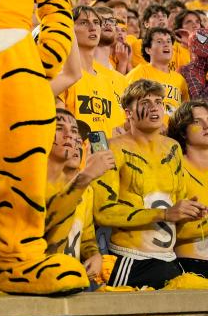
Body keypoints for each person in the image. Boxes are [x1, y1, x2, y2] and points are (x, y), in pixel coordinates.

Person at [93, 80, 207, 288]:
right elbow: (103, 212)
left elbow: (178, 207)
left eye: (158, 101)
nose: (155, 107)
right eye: (145, 102)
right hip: (131, 260)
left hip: (169, 258)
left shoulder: (173, 148)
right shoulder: (110, 149)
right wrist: (164, 214)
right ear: (128, 112)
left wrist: (191, 211)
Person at [43, 109, 113, 283]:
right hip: (38, 283)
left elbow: (87, 237)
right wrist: (86, 176)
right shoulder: (30, 179)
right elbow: (43, 227)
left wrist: (95, 255)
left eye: (75, 133)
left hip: (72, 281)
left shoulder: (87, 191)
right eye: (59, 128)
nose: (72, 139)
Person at [60, 6, 128, 138]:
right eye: (84, 22)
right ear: (70, 30)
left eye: (96, 22)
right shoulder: (62, 75)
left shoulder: (106, 81)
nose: (92, 27)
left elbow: (114, 129)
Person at [166, 100, 208, 276]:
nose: (207, 125)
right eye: (197, 121)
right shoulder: (172, 167)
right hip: (190, 266)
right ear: (182, 131)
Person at [127, 28, 189, 119]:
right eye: (159, 42)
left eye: (168, 41)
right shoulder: (139, 72)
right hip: (149, 130)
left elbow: (185, 110)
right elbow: (125, 102)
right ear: (149, 50)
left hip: (173, 131)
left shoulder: (180, 79)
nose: (166, 44)